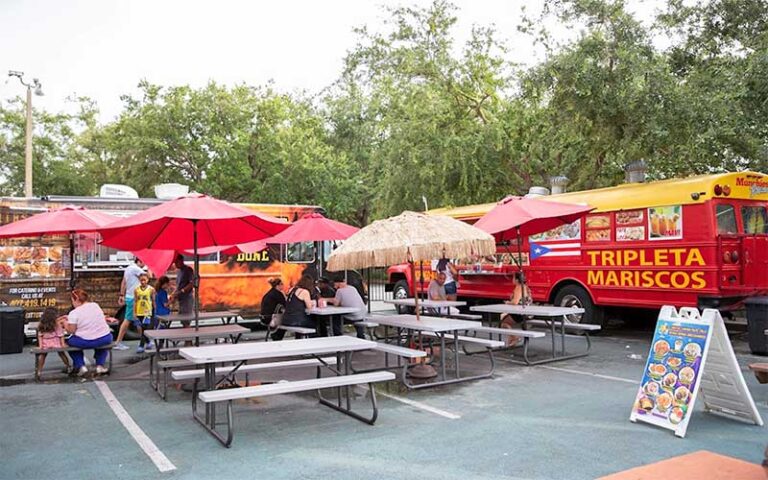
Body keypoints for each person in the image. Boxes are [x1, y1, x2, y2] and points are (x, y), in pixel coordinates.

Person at [64, 289, 113, 376]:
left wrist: (65, 323)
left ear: (76, 300)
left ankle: (81, 365)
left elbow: (71, 330)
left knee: (69, 342)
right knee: (102, 342)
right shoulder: (95, 305)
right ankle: (100, 365)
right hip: (104, 337)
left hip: (85, 341)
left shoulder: (74, 313)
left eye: (72, 301)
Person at [114, 257, 146, 350]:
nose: (144, 265)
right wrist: (151, 268)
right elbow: (148, 276)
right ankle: (118, 342)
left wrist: (121, 295)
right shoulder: (136, 269)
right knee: (129, 320)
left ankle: (143, 341)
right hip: (134, 298)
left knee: (137, 319)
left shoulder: (128, 268)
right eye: (143, 262)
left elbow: (123, 282)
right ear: (139, 261)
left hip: (130, 297)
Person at [271, 275, 315, 341]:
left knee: (307, 321)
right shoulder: (305, 292)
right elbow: (309, 308)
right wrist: (313, 303)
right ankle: (313, 343)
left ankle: (298, 339)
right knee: (315, 323)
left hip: (286, 319)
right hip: (296, 321)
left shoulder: (292, 289)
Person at [324, 274, 367, 338]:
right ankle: (361, 335)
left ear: (337, 283)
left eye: (334, 284)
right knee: (357, 318)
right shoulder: (352, 288)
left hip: (353, 315)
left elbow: (336, 303)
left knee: (335, 317)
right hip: (362, 313)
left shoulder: (340, 291)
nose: (334, 285)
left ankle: (338, 336)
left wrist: (326, 299)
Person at [35, 307, 72, 380]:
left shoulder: (41, 324)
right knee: (62, 354)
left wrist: (41, 346)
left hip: (46, 343)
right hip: (56, 343)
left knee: (42, 355)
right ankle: (68, 366)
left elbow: (40, 336)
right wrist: (62, 344)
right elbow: (60, 335)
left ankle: (39, 371)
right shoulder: (56, 324)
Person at [499, 272, 532, 347]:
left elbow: (515, 302)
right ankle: (512, 340)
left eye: (513, 278)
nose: (512, 280)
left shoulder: (519, 287)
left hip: (520, 312)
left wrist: (507, 302)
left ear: (517, 280)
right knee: (504, 318)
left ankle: (514, 337)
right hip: (527, 312)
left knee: (503, 323)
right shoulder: (525, 287)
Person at [133, 273, 156, 354]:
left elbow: (153, 300)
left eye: (144, 280)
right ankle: (148, 341)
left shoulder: (151, 289)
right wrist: (134, 312)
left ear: (147, 280)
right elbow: (135, 301)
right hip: (139, 311)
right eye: (141, 280)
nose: (143, 282)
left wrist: (155, 310)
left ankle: (141, 345)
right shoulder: (136, 290)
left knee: (145, 329)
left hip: (147, 312)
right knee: (141, 328)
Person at [169, 254, 195, 326]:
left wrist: (183, 290)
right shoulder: (179, 271)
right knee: (182, 318)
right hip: (181, 298)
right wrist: (174, 293)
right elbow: (178, 285)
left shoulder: (188, 270)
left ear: (181, 261)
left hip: (187, 298)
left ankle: (188, 333)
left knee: (186, 319)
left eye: (176, 262)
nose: (175, 265)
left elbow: (192, 283)